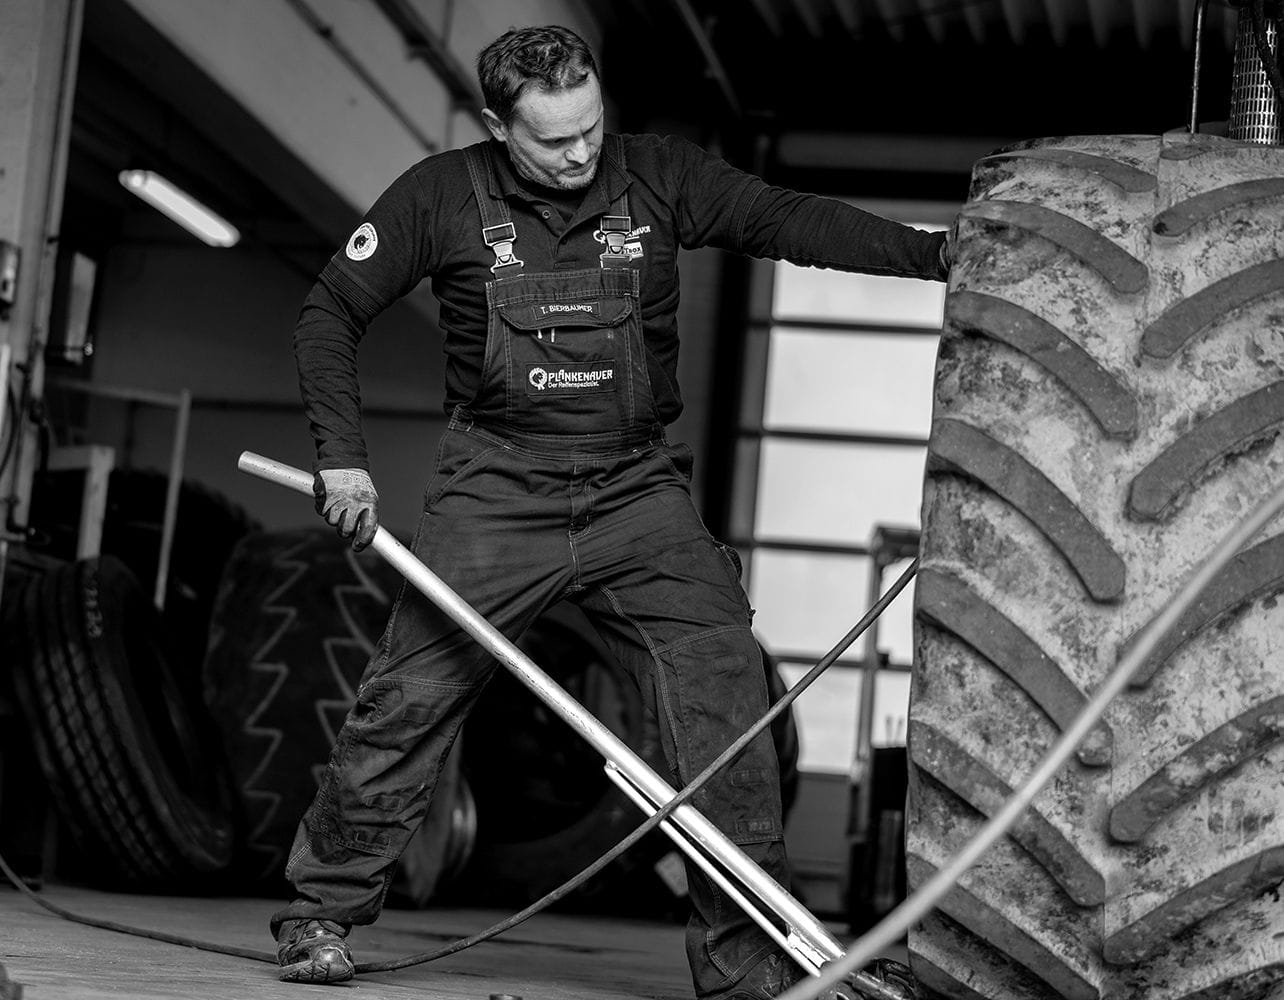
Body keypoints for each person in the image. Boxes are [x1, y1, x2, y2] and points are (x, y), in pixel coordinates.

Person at [275, 24, 949, 1000]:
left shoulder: (659, 176)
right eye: (555, 140)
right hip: (498, 487)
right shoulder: (438, 196)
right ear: (498, 126)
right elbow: (329, 311)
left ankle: (746, 962)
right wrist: (343, 456)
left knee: (721, 685)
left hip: (637, 488)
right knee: (409, 696)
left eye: (592, 127)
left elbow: (787, 219)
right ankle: (319, 913)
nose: (583, 153)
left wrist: (929, 254)